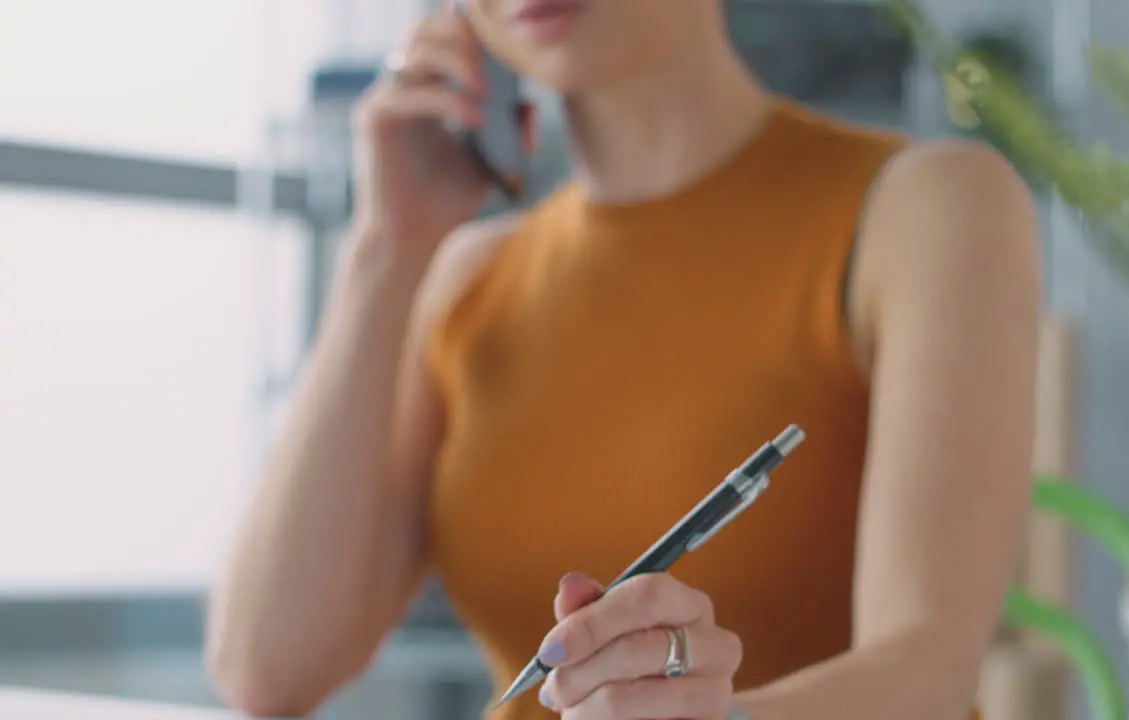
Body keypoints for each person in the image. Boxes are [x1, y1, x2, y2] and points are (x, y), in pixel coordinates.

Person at [204, 0, 1041, 718]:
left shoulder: (929, 208)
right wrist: (387, 244)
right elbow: (267, 666)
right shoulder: (467, 277)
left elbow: (928, 674)